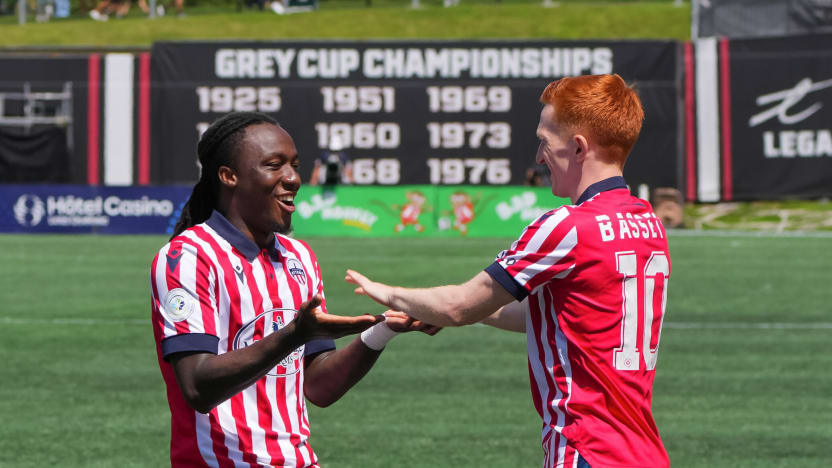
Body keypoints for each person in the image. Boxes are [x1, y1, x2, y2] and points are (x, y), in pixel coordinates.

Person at [346, 74, 670, 468]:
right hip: (643, 452)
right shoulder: (647, 222)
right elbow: (561, 318)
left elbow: (458, 306)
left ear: (579, 147)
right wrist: (461, 311)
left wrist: (388, 291)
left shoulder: (566, 226)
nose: (538, 157)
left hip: (587, 450)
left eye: (545, 142)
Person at [150, 111, 436, 467]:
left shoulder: (299, 257)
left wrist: (381, 332)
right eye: (274, 165)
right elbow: (197, 387)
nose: (293, 178)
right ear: (229, 176)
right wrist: (292, 335)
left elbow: (318, 387)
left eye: (295, 165)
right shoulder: (189, 257)